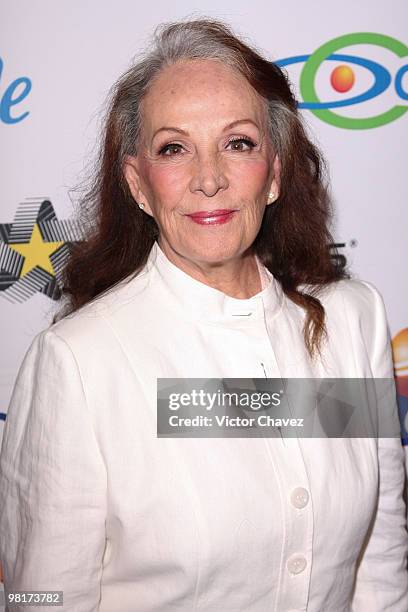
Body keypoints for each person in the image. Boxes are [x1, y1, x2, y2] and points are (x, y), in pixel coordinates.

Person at [0, 17, 407, 612]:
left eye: (238, 143)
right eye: (174, 149)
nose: (209, 178)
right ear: (139, 184)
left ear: (273, 171)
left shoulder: (352, 320)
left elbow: (379, 564)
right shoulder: (79, 363)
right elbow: (41, 599)